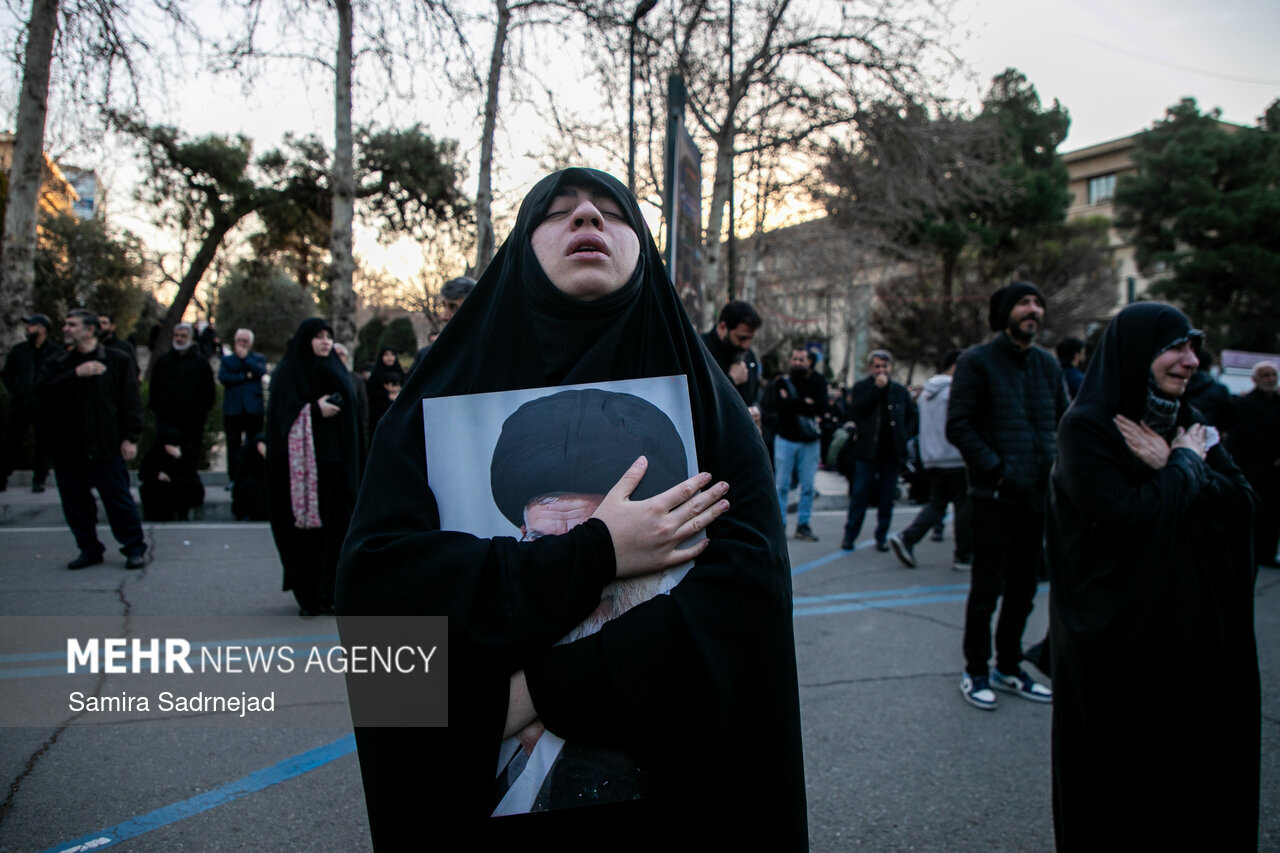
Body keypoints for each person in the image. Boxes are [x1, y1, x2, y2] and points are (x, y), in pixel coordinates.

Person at [335, 168, 806, 847]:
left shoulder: (714, 413)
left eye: (613, 210)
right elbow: (380, 597)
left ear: (642, 247)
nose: (587, 215)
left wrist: (536, 691)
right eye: (556, 212)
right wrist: (601, 551)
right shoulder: (423, 413)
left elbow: (744, 605)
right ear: (520, 250)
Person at [1045, 302, 1258, 850]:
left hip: (1192, 641)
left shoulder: (1191, 423)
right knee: (1124, 794)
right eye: (1175, 347)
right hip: (1120, 648)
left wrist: (1174, 465)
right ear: (1136, 352)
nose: (1191, 361)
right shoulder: (1089, 428)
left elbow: (1242, 507)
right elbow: (1121, 521)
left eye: (1194, 347)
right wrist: (1185, 467)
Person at [947, 281, 1067, 710]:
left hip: (1037, 497)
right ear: (1004, 313)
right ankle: (976, 670)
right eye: (1024, 303)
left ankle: (1010, 665)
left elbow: (1064, 420)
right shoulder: (977, 362)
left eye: (1038, 303)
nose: (1033, 310)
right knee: (987, 589)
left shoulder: (1048, 365)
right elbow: (959, 425)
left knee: (1024, 589)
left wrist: (1056, 469)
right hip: (993, 498)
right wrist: (998, 472)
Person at [266, 318, 361, 617]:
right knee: (308, 537)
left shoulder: (336, 369)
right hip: (304, 476)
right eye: (318, 336)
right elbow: (281, 417)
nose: (324, 341)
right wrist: (313, 410)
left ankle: (333, 593)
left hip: (336, 468)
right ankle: (309, 595)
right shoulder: (289, 372)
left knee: (338, 531)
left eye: (328, 336)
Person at [38, 310, 147, 569]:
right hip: (68, 446)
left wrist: (130, 437)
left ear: (89, 330)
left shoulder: (118, 360)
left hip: (105, 446)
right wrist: (76, 374)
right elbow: (42, 392)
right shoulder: (59, 362)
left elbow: (130, 402)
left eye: (72, 325)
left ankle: (134, 548)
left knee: (118, 500)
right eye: (65, 324)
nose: (65, 329)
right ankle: (89, 549)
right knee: (75, 503)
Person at [888, 349, 971, 570]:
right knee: (963, 506)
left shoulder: (927, 393)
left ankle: (908, 537)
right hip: (955, 456)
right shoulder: (954, 391)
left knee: (937, 504)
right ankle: (963, 555)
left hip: (932, 457)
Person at [840, 349, 916, 552]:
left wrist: (904, 435)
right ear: (870, 368)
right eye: (877, 367)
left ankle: (881, 536)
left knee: (887, 496)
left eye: (884, 366)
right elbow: (856, 410)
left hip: (891, 452)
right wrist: (876, 389)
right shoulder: (862, 387)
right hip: (867, 451)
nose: (881, 370)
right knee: (860, 493)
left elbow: (911, 415)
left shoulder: (898, 391)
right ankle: (850, 535)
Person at [763, 347, 826, 542]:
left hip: (809, 441)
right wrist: (804, 403)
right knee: (781, 485)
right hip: (785, 439)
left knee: (807, 487)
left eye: (802, 359)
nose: (798, 362)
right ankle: (780, 524)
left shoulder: (817, 381)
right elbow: (778, 407)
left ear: (809, 362)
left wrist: (792, 401)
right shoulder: (782, 382)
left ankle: (803, 525)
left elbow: (821, 407)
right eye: (795, 359)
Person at [1230, 360, 1279, 567]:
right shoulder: (1247, 404)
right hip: (1255, 466)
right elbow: (1249, 435)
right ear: (1256, 379)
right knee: (1256, 510)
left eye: (1273, 375)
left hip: (1273, 467)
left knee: (1273, 512)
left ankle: (1267, 553)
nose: (1270, 379)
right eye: (1265, 375)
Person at [149, 322, 215, 469]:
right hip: (167, 422)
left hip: (193, 423)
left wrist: (200, 414)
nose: (179, 339)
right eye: (176, 335)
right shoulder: (163, 362)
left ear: (190, 338)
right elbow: (155, 390)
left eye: (183, 336)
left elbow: (209, 393)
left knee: (189, 461)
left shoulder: (201, 363)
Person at [1, 313, 55, 492]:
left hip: (45, 405)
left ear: (42, 329)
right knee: (12, 441)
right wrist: (17, 391)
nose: (27, 328)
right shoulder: (19, 350)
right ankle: (2, 476)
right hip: (22, 403)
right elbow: (7, 374)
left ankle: (39, 480)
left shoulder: (55, 351)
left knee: (44, 443)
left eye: (31, 325)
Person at [218, 328, 267, 484]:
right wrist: (245, 376)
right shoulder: (227, 360)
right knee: (233, 445)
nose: (242, 344)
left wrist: (245, 359)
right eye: (239, 341)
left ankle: (252, 477)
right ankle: (234, 478)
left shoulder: (258, 359)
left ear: (250, 343)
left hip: (253, 410)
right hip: (233, 409)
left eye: (245, 341)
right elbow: (224, 378)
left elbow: (260, 372)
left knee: (254, 443)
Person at [701, 299, 763, 408]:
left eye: (750, 338)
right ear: (723, 327)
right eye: (741, 338)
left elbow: (756, 392)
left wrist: (756, 408)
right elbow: (701, 400)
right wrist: (731, 380)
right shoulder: (701, 351)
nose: (746, 345)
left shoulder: (748, 354)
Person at [412, 275, 477, 370]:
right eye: (444, 306)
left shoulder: (492, 352)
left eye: (454, 307)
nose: (443, 316)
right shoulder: (427, 356)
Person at [1183, 347, 1235, 430]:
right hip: (1210, 432)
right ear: (1209, 366)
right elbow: (1226, 418)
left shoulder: (1179, 385)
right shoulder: (1219, 389)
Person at [366, 346, 405, 431]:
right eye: (386, 355)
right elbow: (371, 390)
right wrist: (387, 395)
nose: (389, 358)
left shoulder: (400, 372)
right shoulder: (376, 374)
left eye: (392, 355)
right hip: (380, 411)